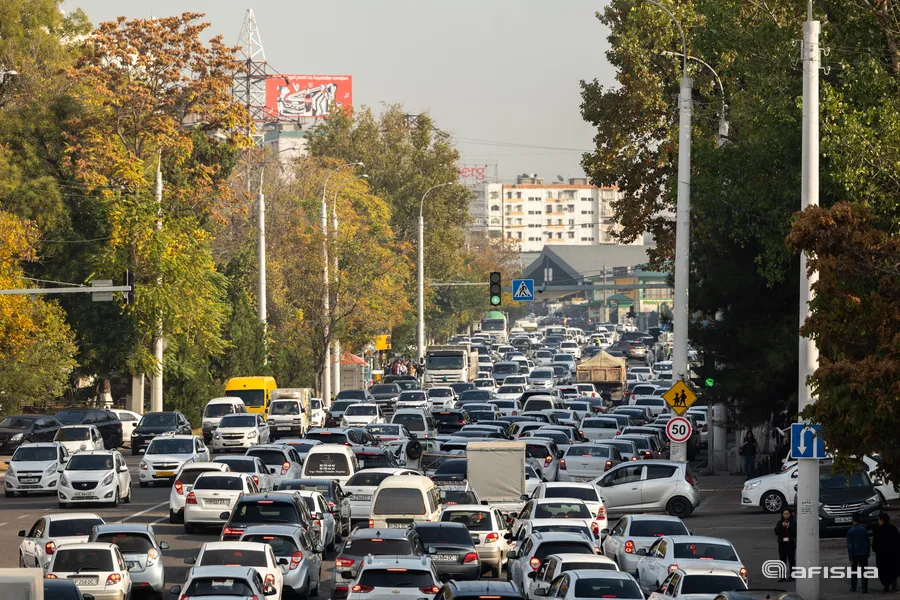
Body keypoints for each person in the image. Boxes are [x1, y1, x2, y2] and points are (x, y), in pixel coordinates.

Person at [872, 512, 900, 592]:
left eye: (879, 520)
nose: (878, 521)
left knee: (883, 571)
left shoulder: (878, 531)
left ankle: (886, 586)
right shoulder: (893, 529)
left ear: (881, 520)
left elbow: (874, 545)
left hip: (882, 556)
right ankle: (893, 582)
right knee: (893, 569)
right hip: (893, 555)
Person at [847, 512, 871, 593]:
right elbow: (868, 542)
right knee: (864, 571)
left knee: (854, 571)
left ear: (852, 519)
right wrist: (868, 552)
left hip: (854, 554)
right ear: (860, 519)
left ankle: (853, 587)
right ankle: (865, 588)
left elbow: (850, 545)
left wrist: (850, 557)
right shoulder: (864, 530)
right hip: (864, 553)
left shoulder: (850, 531)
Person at [774, 508, 797, 581]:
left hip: (790, 543)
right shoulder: (780, 522)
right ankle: (782, 577)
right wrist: (782, 526)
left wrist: (789, 526)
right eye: (784, 514)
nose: (786, 515)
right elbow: (776, 531)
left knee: (791, 559)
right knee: (782, 560)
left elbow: (795, 531)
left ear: (790, 514)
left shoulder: (793, 522)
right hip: (782, 543)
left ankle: (792, 575)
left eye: (787, 514)